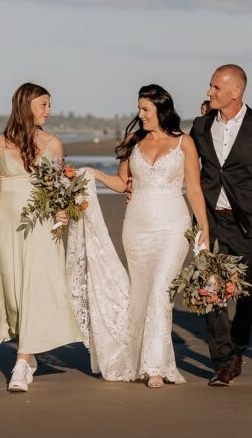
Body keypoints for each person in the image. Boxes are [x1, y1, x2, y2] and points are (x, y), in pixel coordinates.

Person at [85, 84, 210, 387]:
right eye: (139, 109)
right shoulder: (133, 141)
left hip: (173, 226)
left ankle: (155, 366)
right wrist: (93, 173)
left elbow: (193, 188)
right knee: (140, 294)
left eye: (146, 110)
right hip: (136, 228)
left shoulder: (185, 144)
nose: (140, 115)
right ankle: (139, 358)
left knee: (160, 292)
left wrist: (204, 228)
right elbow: (121, 183)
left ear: (161, 111)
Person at [0, 83, 83, 392]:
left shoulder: (53, 144)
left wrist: (63, 211)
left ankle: (22, 362)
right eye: (43, 105)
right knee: (11, 287)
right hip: (8, 223)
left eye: (49, 105)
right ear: (26, 106)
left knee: (35, 285)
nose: (48, 111)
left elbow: (60, 189)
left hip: (41, 225)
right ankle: (29, 347)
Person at [189, 64, 252, 387]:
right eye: (210, 87)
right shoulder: (200, 126)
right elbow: (188, 172)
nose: (209, 92)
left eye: (216, 87)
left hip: (249, 225)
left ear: (235, 92)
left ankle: (238, 345)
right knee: (211, 291)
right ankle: (224, 362)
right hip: (212, 223)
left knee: (247, 291)